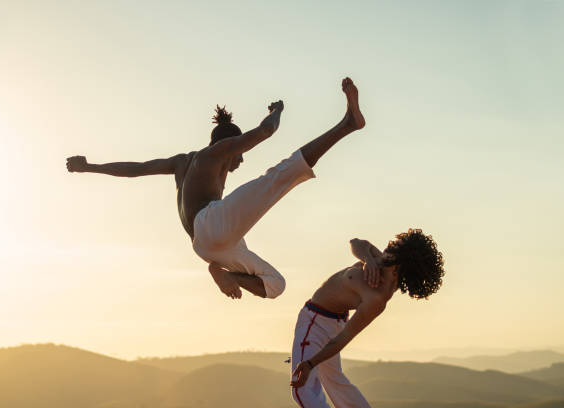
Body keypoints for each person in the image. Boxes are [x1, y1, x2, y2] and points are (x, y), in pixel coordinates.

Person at [67, 78, 365, 300]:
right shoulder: (218, 152)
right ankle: (347, 124)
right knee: (280, 176)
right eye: (239, 154)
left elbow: (135, 169)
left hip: (206, 245)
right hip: (211, 226)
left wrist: (90, 167)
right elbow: (266, 131)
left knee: (276, 284)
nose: (241, 159)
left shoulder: (182, 162)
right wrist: (278, 110)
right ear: (227, 146)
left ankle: (219, 272)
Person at [290, 230, 445, 408]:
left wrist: (310, 364)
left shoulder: (378, 298)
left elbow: (345, 337)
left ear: (403, 262)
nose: (390, 244)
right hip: (331, 320)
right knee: (336, 381)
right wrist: (368, 259)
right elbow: (355, 242)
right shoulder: (380, 260)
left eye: (396, 246)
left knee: (302, 390)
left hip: (315, 320)